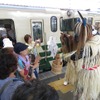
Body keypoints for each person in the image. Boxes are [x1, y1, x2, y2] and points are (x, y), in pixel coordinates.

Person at [73, 11, 100, 100]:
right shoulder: (98, 40)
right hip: (96, 72)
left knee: (84, 94)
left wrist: (67, 56)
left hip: (88, 75)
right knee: (93, 93)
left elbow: (75, 57)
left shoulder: (88, 47)